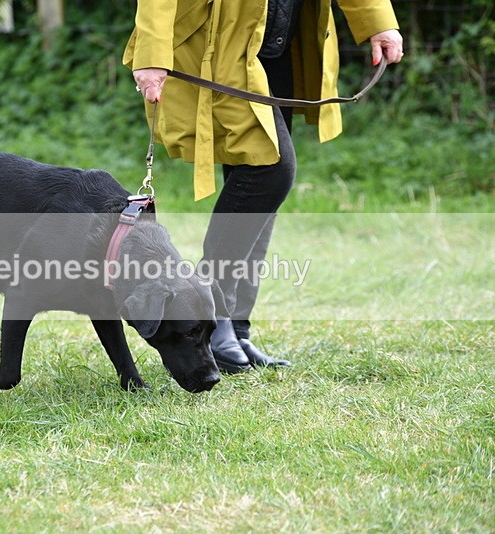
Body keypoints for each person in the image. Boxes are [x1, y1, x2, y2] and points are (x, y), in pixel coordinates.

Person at [123, 0, 404, 372]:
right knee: (270, 169)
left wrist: (376, 20)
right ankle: (215, 314)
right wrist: (152, 50)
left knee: (256, 176)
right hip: (217, 41)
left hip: (283, 43)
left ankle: (236, 329)